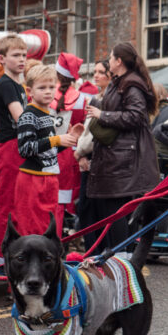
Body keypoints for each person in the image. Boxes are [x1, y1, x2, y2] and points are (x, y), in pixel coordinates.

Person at [85, 43, 160, 252]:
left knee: (117, 213)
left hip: (123, 160)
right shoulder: (121, 82)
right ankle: (117, 261)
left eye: (110, 58)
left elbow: (136, 116)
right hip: (116, 157)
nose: (108, 61)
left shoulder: (131, 84)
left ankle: (121, 263)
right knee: (113, 214)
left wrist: (102, 115)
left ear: (119, 61)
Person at [13, 65, 78, 236]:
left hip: (50, 178)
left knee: (48, 225)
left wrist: (68, 140)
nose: (48, 92)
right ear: (30, 91)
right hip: (32, 179)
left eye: (51, 87)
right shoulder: (28, 115)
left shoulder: (48, 114)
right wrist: (56, 139)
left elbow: (49, 151)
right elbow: (25, 148)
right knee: (32, 226)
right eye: (42, 88)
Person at [0, 34, 27, 268]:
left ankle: (11, 255)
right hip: (9, 147)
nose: (22, 59)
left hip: (18, 147)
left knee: (18, 204)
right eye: (16, 55)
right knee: (6, 204)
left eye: (24, 55)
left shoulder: (18, 85)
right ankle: (0, 257)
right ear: (2, 59)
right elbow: (21, 118)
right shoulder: (5, 85)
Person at [51, 52, 91, 232]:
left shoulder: (45, 92)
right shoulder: (82, 99)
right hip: (69, 156)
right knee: (61, 204)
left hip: (47, 150)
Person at [75, 59, 110, 251]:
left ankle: (93, 253)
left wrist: (79, 152)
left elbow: (90, 134)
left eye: (100, 72)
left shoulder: (102, 101)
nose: (95, 75)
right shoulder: (95, 99)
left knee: (91, 210)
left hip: (95, 160)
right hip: (89, 159)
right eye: (94, 71)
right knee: (89, 209)